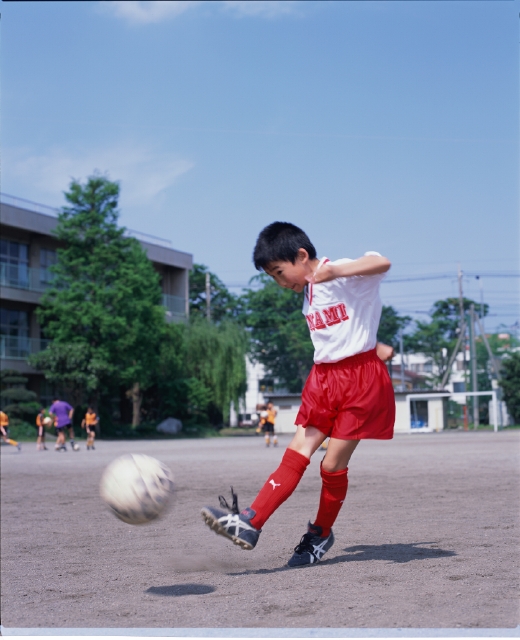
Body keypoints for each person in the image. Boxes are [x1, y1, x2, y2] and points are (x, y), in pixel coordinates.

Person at [201, 222, 395, 567]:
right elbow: (339, 335)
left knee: (331, 465)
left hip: (360, 383)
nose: (280, 282)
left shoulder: (341, 274)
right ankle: (249, 522)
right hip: (323, 379)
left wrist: (334, 270)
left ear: (302, 255)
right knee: (296, 453)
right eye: (272, 277)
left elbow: (382, 262)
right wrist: (374, 343)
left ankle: (320, 534)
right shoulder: (307, 295)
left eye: (279, 272)